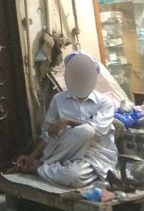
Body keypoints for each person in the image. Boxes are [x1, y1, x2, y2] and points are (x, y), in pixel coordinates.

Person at [14, 51, 117, 189]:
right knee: (84, 131)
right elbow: (47, 134)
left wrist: (69, 121)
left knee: (75, 176)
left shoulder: (104, 102)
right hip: (63, 155)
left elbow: (98, 132)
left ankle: (40, 168)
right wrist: (31, 156)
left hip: (94, 155)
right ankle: (43, 163)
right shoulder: (59, 99)